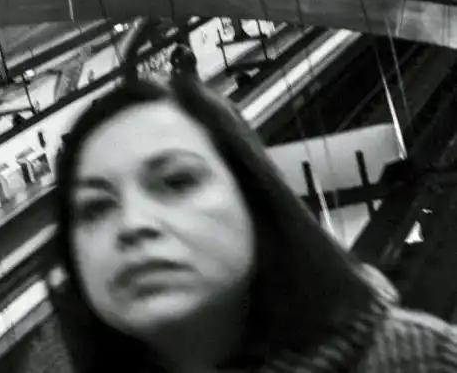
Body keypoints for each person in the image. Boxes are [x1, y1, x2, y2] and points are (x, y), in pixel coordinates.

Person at [51, 76, 457, 372]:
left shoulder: (425, 360)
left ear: (253, 196)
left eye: (177, 181)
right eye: (94, 208)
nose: (132, 223)